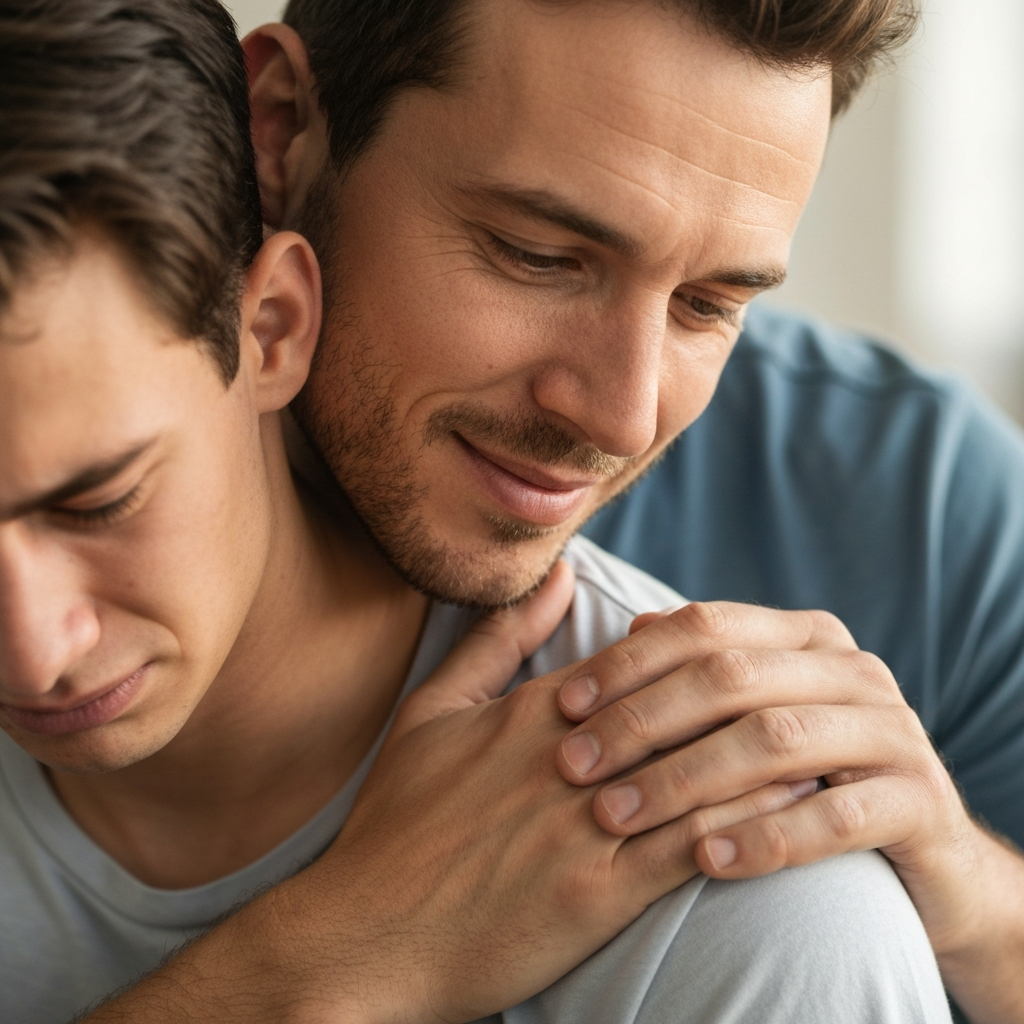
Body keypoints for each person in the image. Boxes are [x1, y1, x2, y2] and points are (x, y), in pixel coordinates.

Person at [0, 4, 1011, 1024]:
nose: (622, 417)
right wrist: (320, 958)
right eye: (536, 254)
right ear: (283, 125)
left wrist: (973, 896)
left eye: (708, 305)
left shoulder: (922, 511)